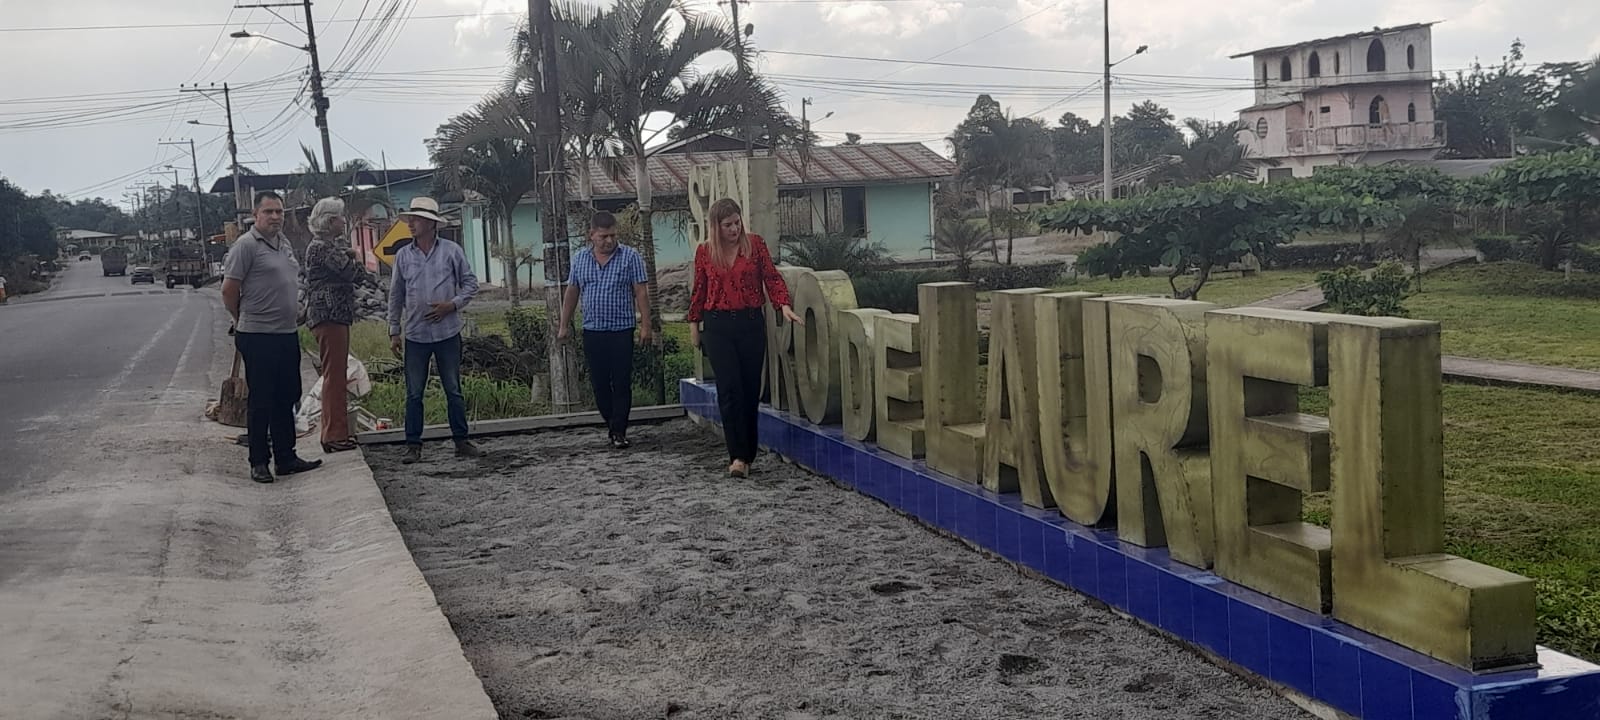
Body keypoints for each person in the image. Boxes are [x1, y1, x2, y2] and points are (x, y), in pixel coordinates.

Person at [688, 198, 802, 478]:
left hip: (750, 322)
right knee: (729, 390)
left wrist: (783, 305)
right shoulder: (705, 252)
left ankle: (748, 453)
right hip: (717, 325)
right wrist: (694, 326)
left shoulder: (755, 245)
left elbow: (771, 278)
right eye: (727, 225)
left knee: (750, 391)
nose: (734, 229)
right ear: (716, 227)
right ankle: (737, 457)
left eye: (737, 223)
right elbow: (699, 289)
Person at [222, 192, 323, 484]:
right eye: (269, 211)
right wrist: (241, 319)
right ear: (256, 215)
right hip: (258, 335)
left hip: (286, 333)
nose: (276, 217)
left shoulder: (283, 243)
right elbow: (229, 290)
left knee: (287, 396)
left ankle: (286, 457)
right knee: (262, 400)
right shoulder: (246, 246)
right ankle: (259, 462)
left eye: (279, 211)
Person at [387, 196, 481, 464]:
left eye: (416, 219)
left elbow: (470, 283)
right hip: (416, 334)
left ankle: (461, 441)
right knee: (414, 392)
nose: (411, 224)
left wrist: (452, 305)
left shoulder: (452, 251)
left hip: (447, 332)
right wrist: (394, 330)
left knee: (453, 388)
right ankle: (413, 445)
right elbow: (396, 294)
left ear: (431, 224)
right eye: (410, 219)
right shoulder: (403, 255)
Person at [558, 211, 652, 448]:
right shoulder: (580, 259)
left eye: (612, 236)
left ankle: (619, 430)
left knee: (621, 381)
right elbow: (572, 292)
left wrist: (646, 326)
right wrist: (564, 325)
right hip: (593, 330)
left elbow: (641, 292)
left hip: (622, 330)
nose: (609, 241)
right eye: (603, 236)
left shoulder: (630, 257)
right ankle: (612, 422)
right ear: (592, 235)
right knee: (599, 383)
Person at [303, 197, 369, 453]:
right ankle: (334, 434)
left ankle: (335, 432)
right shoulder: (323, 248)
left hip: (331, 316)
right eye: (340, 217)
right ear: (330, 222)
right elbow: (355, 274)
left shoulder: (324, 247)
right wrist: (356, 257)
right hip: (330, 316)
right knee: (335, 375)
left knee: (336, 373)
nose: (343, 221)